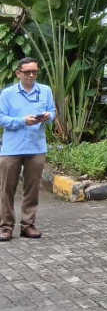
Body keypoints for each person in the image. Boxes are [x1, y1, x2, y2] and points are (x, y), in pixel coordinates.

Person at [0, 58, 56, 242]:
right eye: (27, 72)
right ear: (18, 73)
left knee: (32, 189)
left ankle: (28, 225)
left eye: (34, 72)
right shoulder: (7, 94)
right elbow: (1, 119)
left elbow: (52, 112)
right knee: (7, 189)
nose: (31, 75)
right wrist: (22, 121)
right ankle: (6, 227)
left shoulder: (45, 91)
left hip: (36, 147)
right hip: (11, 148)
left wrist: (47, 117)